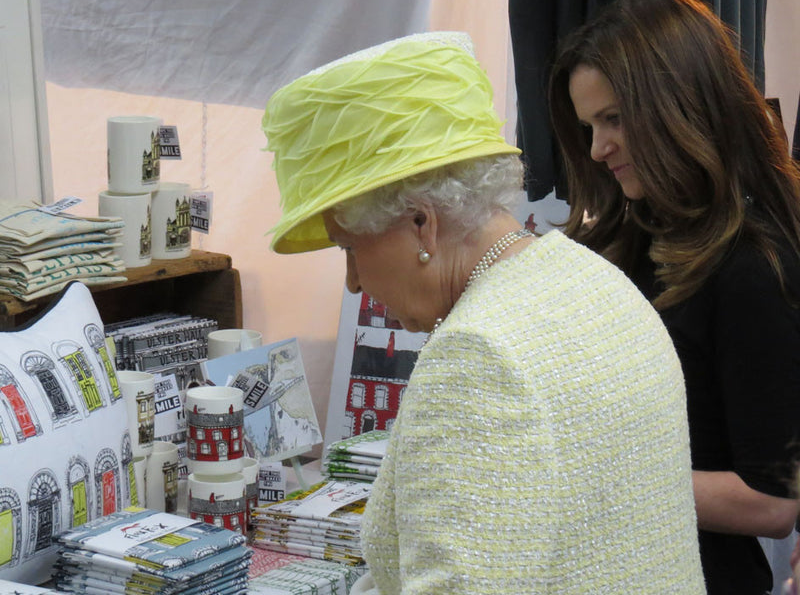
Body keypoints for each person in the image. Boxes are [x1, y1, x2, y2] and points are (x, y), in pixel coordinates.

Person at [261, 31, 705, 594]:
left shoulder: (477, 358)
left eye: (350, 249)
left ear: (422, 222)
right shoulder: (595, 279)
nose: (353, 282)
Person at [549, 0, 800, 595]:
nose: (596, 148)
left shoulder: (755, 266)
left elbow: (771, 501)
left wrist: (587, 478)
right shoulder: (637, 232)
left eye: (613, 120)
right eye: (588, 126)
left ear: (679, 105)